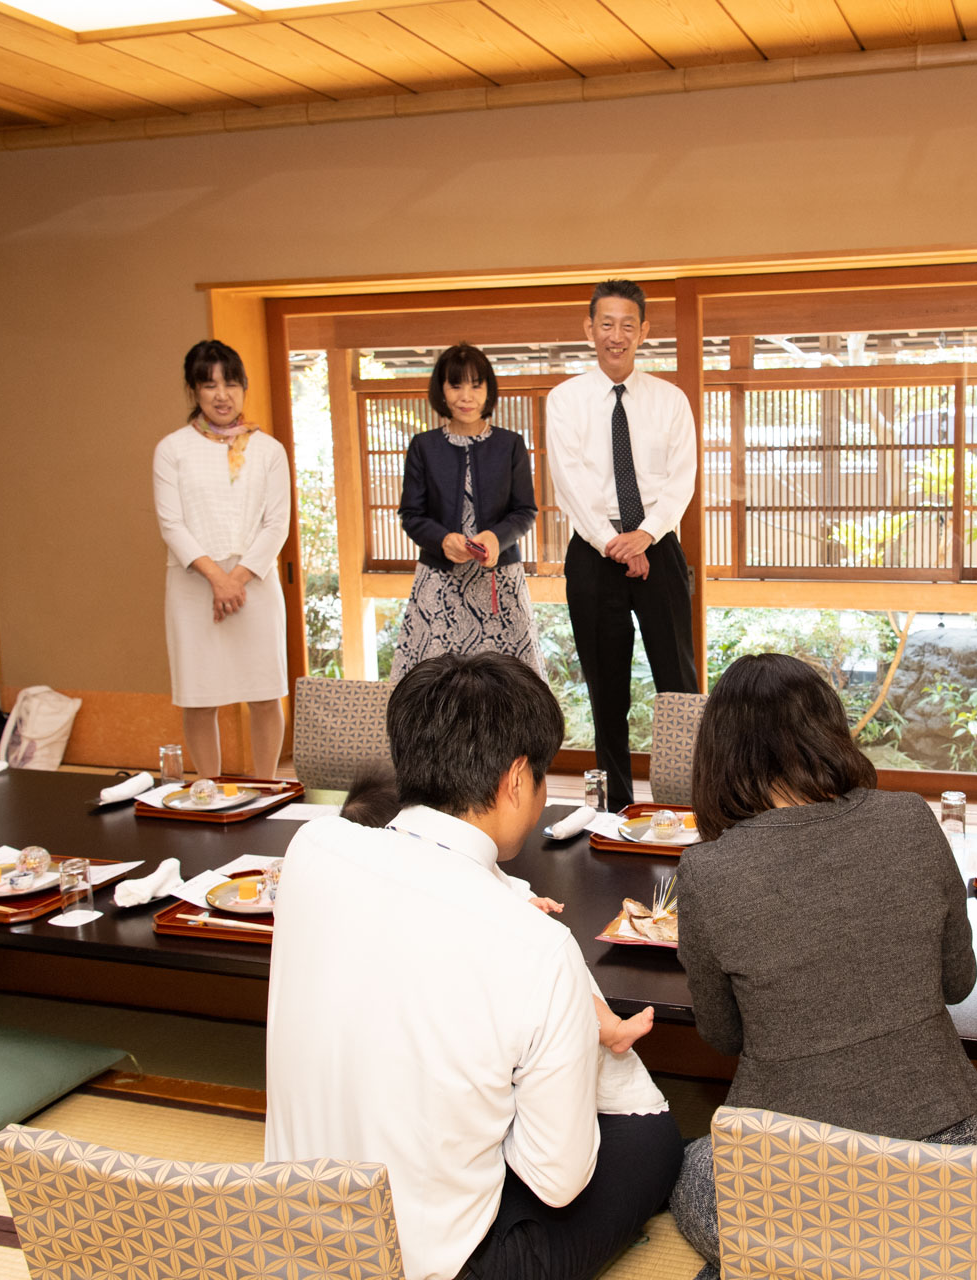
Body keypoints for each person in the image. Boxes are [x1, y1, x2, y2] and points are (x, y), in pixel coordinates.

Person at [265, 652, 681, 1280]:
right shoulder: (538, 947)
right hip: (445, 1266)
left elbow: (421, 881)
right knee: (650, 1139)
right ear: (517, 781)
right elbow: (558, 1183)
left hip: (298, 1231)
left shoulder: (311, 850)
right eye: (542, 778)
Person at [668, 653, 977, 1276]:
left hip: (794, 1175)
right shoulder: (911, 819)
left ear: (720, 757)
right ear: (829, 731)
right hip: (949, 1168)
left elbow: (723, 1035)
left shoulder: (708, 872)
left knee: (684, 1165)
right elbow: (959, 982)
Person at [545, 280, 698, 812]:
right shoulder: (565, 401)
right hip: (593, 553)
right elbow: (571, 482)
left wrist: (646, 535)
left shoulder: (670, 400)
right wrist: (615, 541)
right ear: (589, 330)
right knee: (606, 689)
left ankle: (691, 801)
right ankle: (617, 812)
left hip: (660, 547)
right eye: (606, 324)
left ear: (644, 331)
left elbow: (682, 479)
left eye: (627, 325)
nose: (616, 335)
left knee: (679, 683)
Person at [151, 340, 290, 780]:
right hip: (194, 586)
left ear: (244, 388)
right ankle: (208, 790)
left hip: (256, 583)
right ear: (194, 390)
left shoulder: (268, 450)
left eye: (231, 383)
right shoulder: (171, 449)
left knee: (266, 694)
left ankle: (269, 787)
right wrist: (217, 578)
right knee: (199, 696)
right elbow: (171, 524)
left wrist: (238, 578)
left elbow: (277, 524)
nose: (221, 394)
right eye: (209, 384)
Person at [388, 343, 543, 684]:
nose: (466, 395)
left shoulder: (511, 444)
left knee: (507, 687)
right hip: (439, 580)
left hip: (498, 580)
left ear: (489, 390)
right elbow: (411, 514)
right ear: (441, 391)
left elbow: (525, 511)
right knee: (434, 687)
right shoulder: (423, 446)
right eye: (455, 384)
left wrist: (495, 538)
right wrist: (442, 540)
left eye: (476, 384)